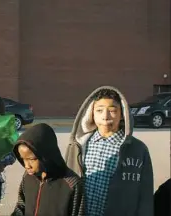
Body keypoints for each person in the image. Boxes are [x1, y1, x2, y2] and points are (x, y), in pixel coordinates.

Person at [65, 86, 154, 216]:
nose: (105, 117)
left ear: (122, 114)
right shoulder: (78, 145)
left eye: (112, 111)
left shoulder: (138, 150)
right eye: (99, 110)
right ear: (91, 114)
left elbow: (145, 195)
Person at [12, 123, 84, 216]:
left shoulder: (71, 184)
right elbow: (21, 206)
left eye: (31, 159)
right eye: (22, 159)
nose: (26, 165)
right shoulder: (27, 176)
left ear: (46, 155)